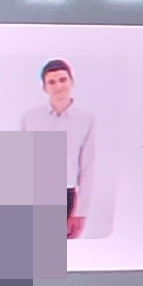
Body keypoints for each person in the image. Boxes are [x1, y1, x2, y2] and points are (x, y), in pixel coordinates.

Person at [35, 58, 95, 241]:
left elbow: (88, 166)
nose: (58, 86)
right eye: (52, 82)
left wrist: (80, 212)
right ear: (44, 87)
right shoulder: (30, 118)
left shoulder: (85, 120)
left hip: (65, 196)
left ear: (71, 82)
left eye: (62, 80)